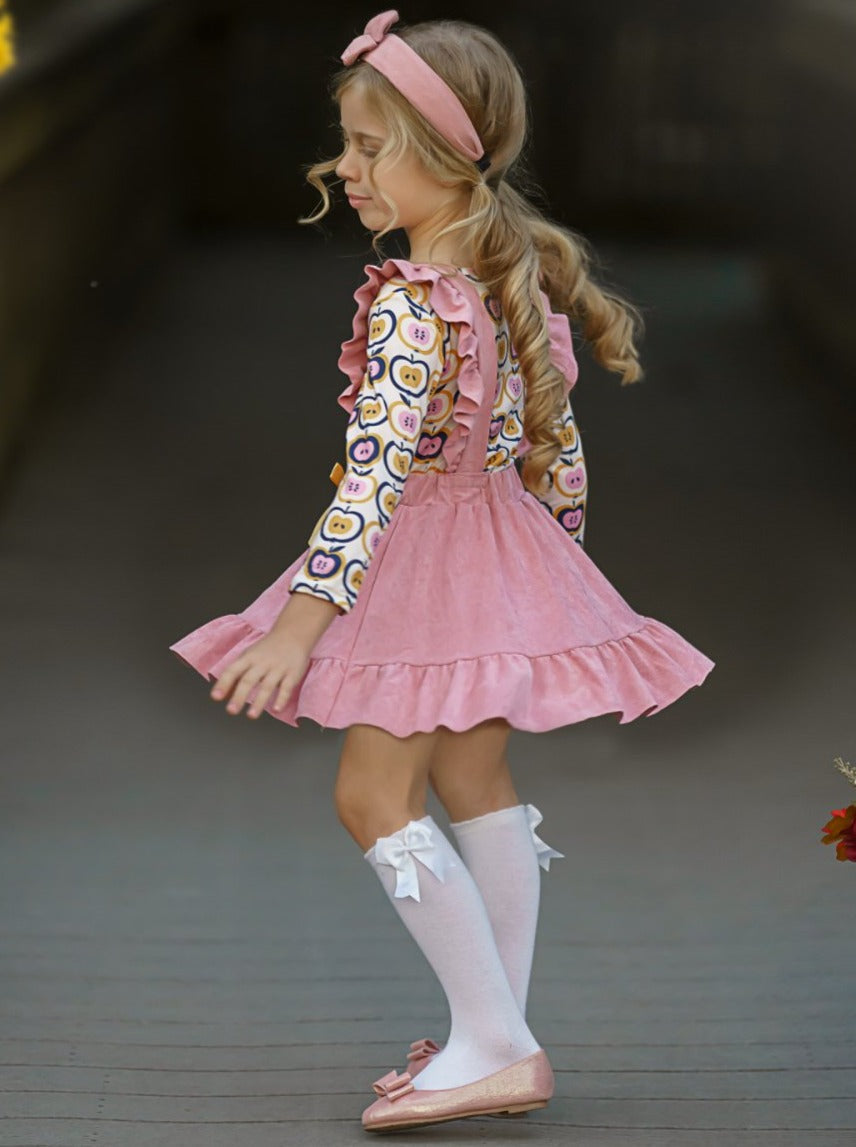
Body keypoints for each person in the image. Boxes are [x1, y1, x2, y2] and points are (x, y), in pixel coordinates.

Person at [169, 9, 715, 1133]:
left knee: (370, 795)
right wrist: (545, 578)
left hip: (418, 566)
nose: (345, 167)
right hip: (499, 555)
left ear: (443, 152)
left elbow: (373, 477)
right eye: (347, 143)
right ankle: (494, 1034)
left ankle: (495, 1043)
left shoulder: (413, 304)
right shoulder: (507, 275)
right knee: (474, 779)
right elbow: (557, 453)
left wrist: (299, 626)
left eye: (370, 146)